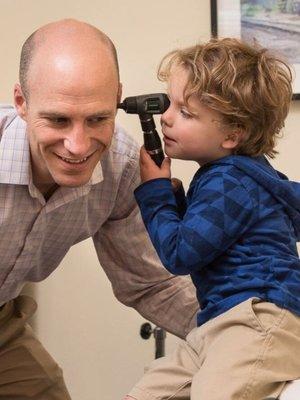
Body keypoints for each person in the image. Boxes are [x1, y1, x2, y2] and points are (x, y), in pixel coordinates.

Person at [0, 19, 199, 399]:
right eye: (58, 119)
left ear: (117, 99)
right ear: (22, 102)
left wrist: (250, 329)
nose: (78, 145)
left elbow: (153, 283)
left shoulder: (121, 169)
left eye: (97, 119)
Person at [125, 38, 300, 400]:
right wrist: (174, 196)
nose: (166, 117)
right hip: (219, 322)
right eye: (170, 102)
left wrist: (156, 193)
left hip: (259, 320)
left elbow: (180, 254)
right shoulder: (236, 177)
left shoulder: (230, 181)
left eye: (186, 113)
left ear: (233, 135)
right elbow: (212, 238)